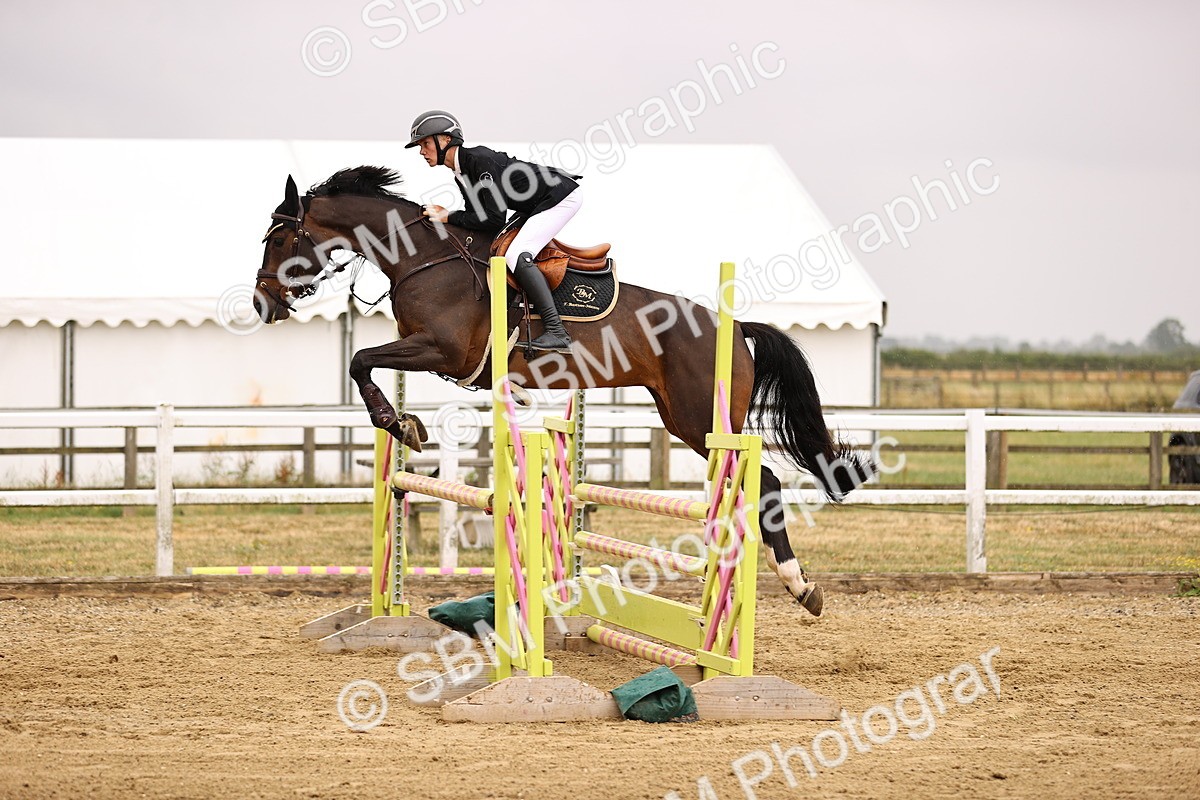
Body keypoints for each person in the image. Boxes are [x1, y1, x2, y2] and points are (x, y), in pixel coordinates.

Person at [406, 109, 581, 353]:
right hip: (534, 204)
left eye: (425, 143)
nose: (422, 152)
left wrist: (448, 216)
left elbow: (493, 219)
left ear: (445, 139)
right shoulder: (461, 173)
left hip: (560, 196)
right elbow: (477, 218)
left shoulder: (479, 161)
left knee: (516, 255)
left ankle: (557, 331)